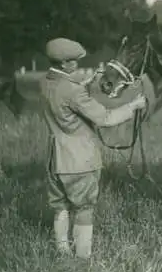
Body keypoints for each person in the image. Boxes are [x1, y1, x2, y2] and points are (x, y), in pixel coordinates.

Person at [40, 38, 147, 259]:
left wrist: (87, 83)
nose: (76, 65)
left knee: (60, 206)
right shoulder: (72, 92)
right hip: (80, 160)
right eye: (73, 62)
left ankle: (62, 251)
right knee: (84, 208)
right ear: (64, 64)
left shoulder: (45, 82)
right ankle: (82, 257)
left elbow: (66, 94)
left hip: (55, 158)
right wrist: (132, 106)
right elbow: (105, 118)